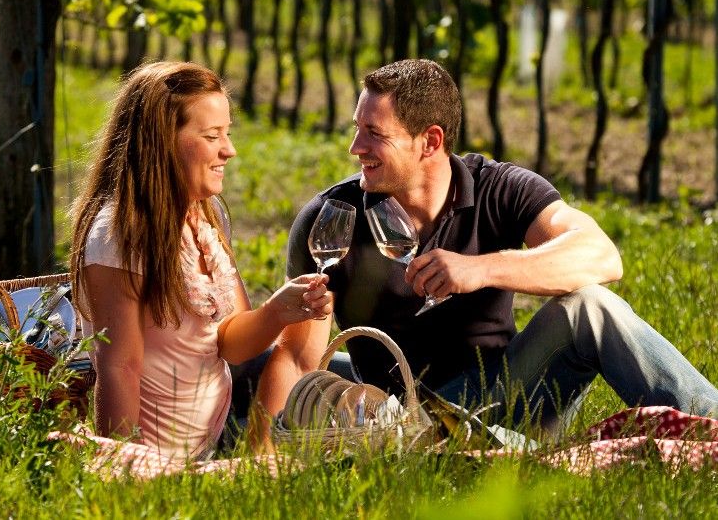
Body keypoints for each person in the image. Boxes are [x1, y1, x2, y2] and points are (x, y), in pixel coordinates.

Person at [254, 58, 718, 436]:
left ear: (430, 141)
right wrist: (266, 453)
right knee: (257, 364)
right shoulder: (332, 219)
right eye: (357, 129)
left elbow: (601, 254)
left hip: (507, 393)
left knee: (590, 307)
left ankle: (709, 425)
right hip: (404, 421)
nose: (356, 147)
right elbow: (299, 359)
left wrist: (481, 268)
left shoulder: (498, 187)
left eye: (375, 133)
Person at [69, 61, 331, 460]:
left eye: (227, 133)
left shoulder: (205, 213)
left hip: (215, 432)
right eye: (212, 136)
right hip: (160, 451)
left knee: (343, 401)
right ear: (161, 142)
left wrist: (278, 311)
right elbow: (118, 367)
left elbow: (229, 343)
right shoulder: (119, 233)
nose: (230, 149)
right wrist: (123, 466)